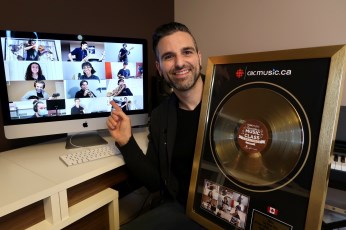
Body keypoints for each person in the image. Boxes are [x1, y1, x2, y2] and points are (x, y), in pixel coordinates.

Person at [107, 22, 204, 229]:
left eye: (186, 52)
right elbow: (154, 181)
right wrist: (126, 141)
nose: (179, 63)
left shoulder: (229, 98)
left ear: (199, 57)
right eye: (169, 56)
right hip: (183, 210)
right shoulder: (161, 116)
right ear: (159, 68)